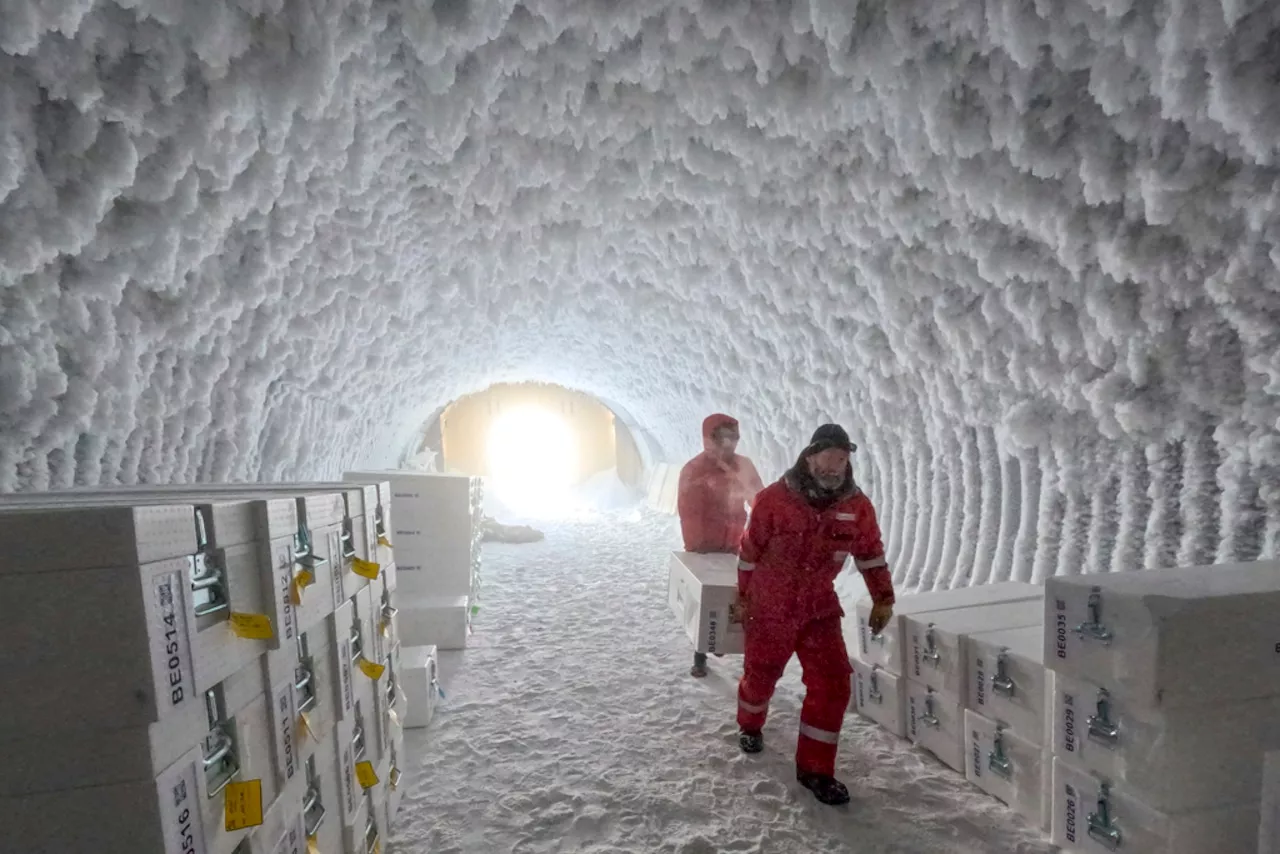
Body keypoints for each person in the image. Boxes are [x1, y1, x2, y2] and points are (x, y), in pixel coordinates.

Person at [734, 423, 895, 806]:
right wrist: (743, 597)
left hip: (817, 608)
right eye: (827, 457)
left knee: (834, 683)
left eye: (842, 459)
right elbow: (749, 551)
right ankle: (750, 723)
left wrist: (883, 598)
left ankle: (815, 770)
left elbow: (870, 553)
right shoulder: (774, 499)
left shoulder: (857, 507)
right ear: (809, 457)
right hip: (770, 605)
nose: (834, 466)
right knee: (761, 675)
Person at [677, 413, 765, 678]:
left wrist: (762, 532)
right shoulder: (694, 470)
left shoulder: (743, 467)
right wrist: (698, 546)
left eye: (734, 437)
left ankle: (727, 645)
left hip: (735, 544)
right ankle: (700, 653)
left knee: (737, 596)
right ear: (710, 439)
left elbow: (759, 500)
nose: (730, 443)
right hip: (704, 547)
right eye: (724, 437)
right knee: (706, 599)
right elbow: (689, 511)